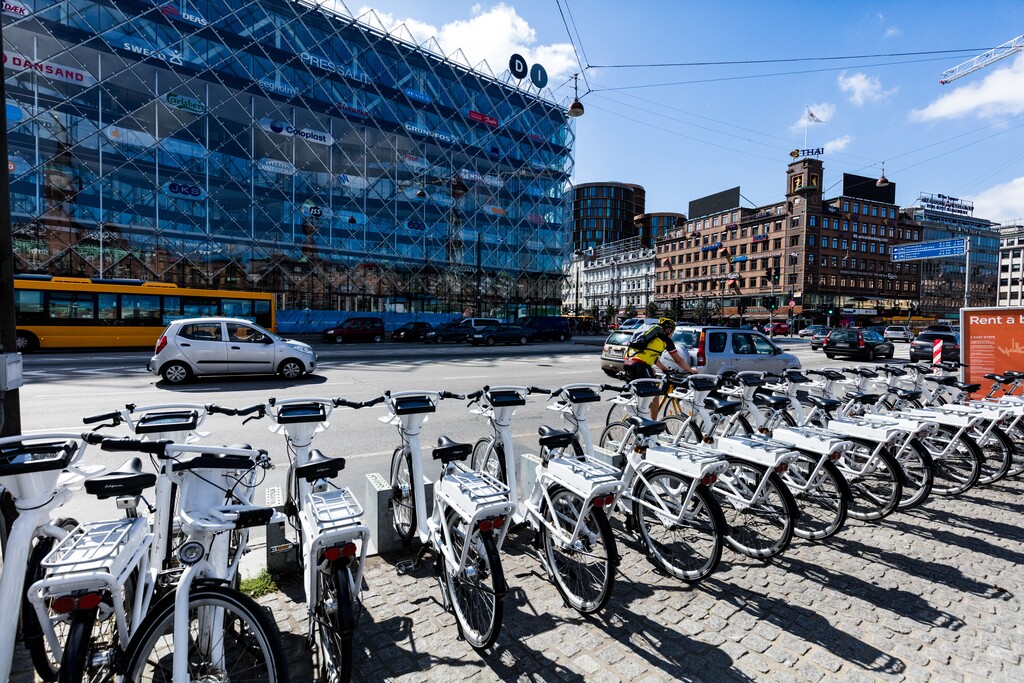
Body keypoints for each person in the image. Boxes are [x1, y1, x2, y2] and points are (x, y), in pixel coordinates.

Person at [623, 317, 696, 419]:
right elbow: (678, 360)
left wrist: (664, 368)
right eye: (672, 332)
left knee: (645, 385)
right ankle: (651, 425)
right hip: (640, 365)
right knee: (654, 394)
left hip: (627, 362)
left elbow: (653, 357)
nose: (672, 334)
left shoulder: (650, 335)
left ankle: (638, 412)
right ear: (668, 330)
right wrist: (691, 370)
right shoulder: (665, 340)